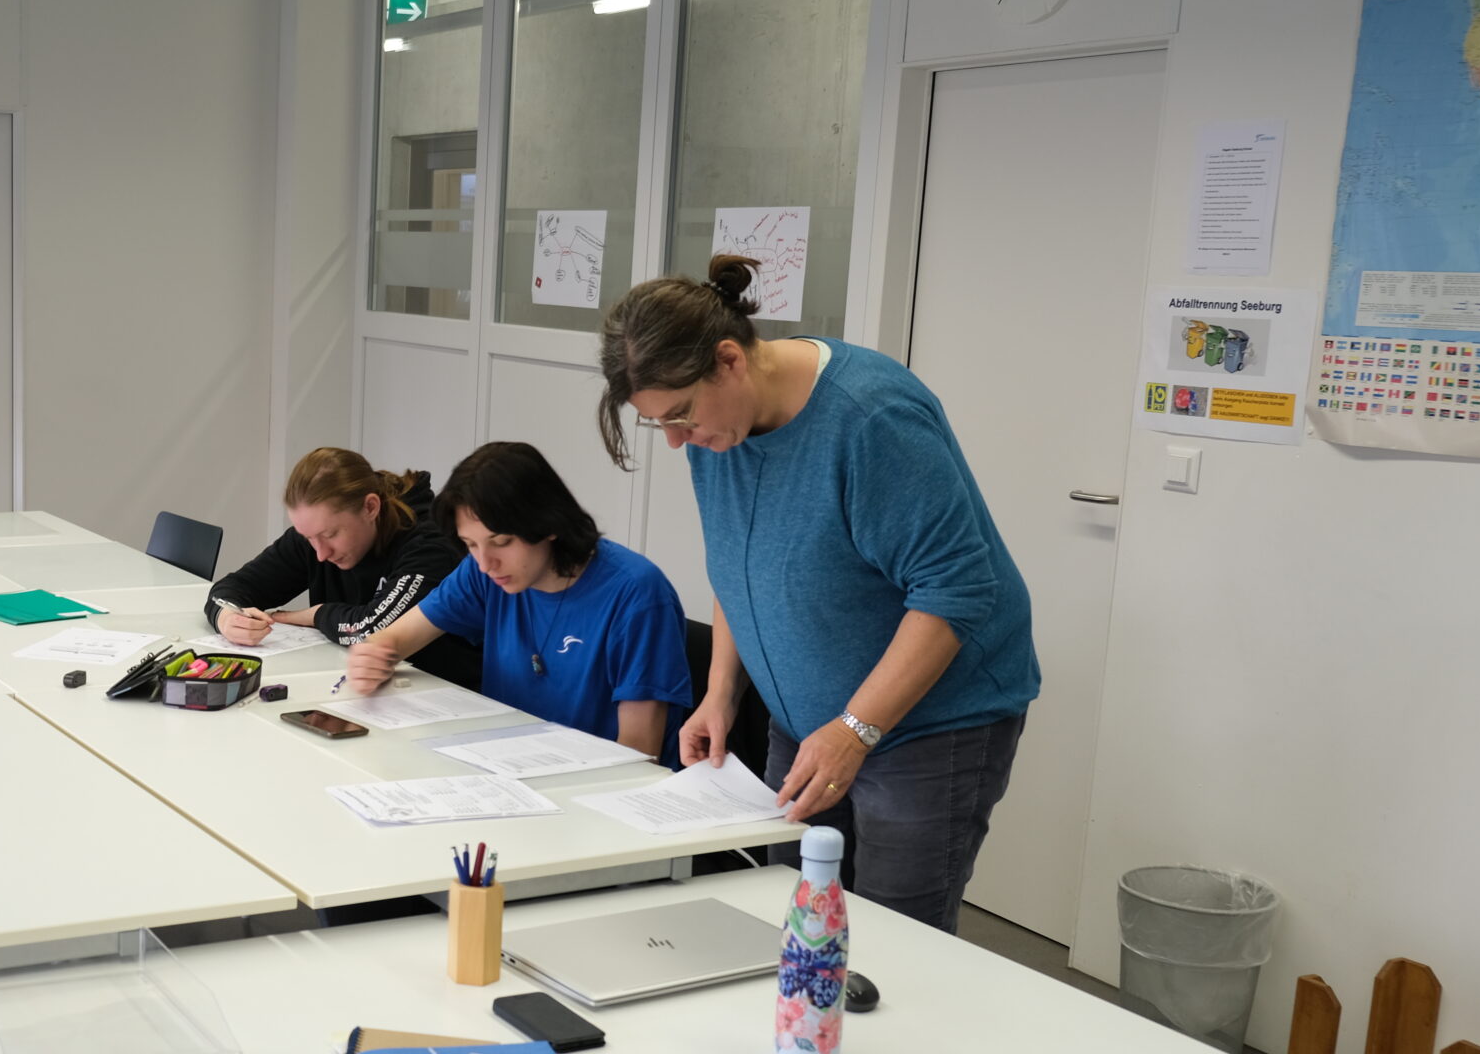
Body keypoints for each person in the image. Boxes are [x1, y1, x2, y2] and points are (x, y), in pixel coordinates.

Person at [595, 253, 1039, 933]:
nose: (680, 442)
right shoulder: (721, 431)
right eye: (661, 425)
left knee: (893, 942)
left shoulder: (871, 418)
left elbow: (956, 589)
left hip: (927, 728)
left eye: (681, 415)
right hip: (806, 721)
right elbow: (737, 565)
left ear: (729, 360)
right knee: (801, 920)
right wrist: (721, 692)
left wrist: (855, 729)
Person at [341, 441, 692, 763]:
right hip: (507, 767)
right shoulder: (485, 573)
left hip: (596, 785)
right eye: (470, 544)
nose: (485, 563)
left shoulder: (636, 594)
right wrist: (373, 656)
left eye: (501, 542)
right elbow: (394, 639)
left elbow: (638, 755)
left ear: (549, 523)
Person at [206, 447, 478, 689]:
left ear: (370, 508)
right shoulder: (315, 536)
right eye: (309, 538)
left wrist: (316, 615)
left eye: (331, 534)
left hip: (444, 695)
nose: (321, 553)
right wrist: (227, 617)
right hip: (362, 691)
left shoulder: (429, 543)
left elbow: (375, 629)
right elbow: (233, 587)